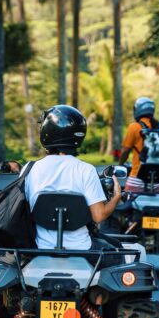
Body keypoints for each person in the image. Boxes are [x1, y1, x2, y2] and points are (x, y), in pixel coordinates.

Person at [18, 104, 122, 251]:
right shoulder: (86, 170)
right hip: (82, 248)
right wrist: (116, 197)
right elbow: (99, 216)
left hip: (39, 247)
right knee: (118, 250)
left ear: (46, 133)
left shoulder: (29, 169)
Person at [120, 96, 159, 194]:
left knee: (126, 203)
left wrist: (120, 165)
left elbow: (125, 150)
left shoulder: (134, 127)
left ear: (137, 110)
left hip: (137, 178)